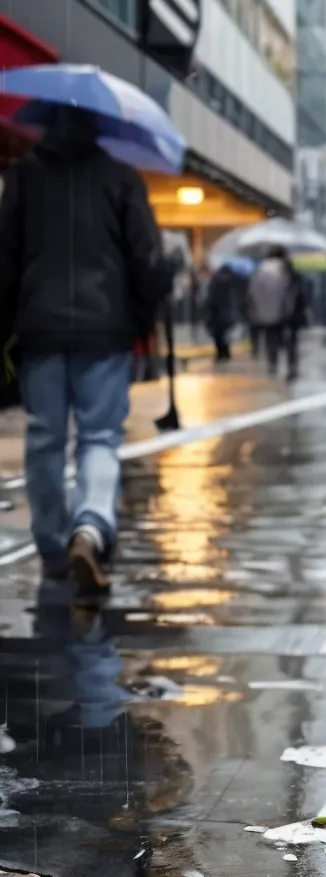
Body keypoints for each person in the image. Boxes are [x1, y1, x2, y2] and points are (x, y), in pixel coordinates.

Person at [0, 105, 172, 593]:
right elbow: (146, 260)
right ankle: (90, 528)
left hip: (39, 331)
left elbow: (5, 260)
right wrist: (143, 316)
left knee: (44, 438)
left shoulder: (24, 177)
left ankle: (53, 544)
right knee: (99, 437)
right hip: (105, 330)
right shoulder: (120, 178)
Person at [246, 245, 302, 380]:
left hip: (267, 310)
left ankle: (273, 364)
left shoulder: (260, 269)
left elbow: (253, 291)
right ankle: (291, 366)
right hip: (288, 311)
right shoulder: (287, 268)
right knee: (291, 341)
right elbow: (296, 291)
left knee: (271, 338)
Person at [204, 263, 236, 362]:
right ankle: (225, 352)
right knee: (224, 334)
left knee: (217, 335)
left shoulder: (215, 281)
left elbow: (211, 298)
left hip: (216, 313)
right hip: (225, 312)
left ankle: (221, 353)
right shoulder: (231, 281)